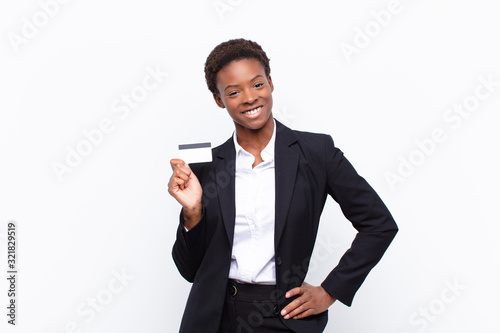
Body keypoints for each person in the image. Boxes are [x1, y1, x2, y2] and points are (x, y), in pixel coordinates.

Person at [168, 38, 398, 333]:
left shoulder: (317, 152)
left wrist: (330, 291)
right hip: (214, 319)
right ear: (218, 99)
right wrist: (193, 214)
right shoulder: (206, 165)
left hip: (283, 318)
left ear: (271, 83)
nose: (250, 98)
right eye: (234, 92)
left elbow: (379, 225)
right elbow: (190, 271)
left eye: (257, 84)